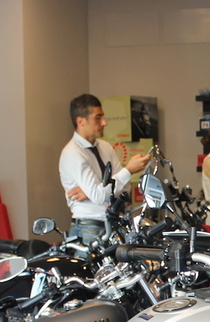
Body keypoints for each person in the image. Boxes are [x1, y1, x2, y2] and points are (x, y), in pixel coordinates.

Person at [59, 93, 150, 244]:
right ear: (81, 121)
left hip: (114, 223)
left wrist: (91, 192)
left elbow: (125, 188)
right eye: (98, 117)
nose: (104, 122)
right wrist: (128, 170)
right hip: (89, 227)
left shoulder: (105, 146)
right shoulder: (73, 153)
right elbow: (99, 195)